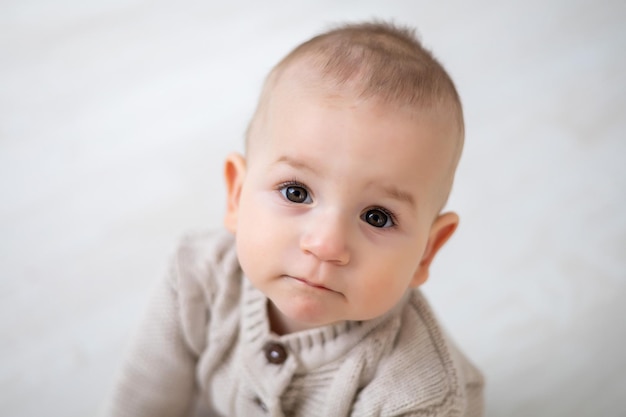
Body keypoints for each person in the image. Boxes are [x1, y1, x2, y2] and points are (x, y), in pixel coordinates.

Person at [104, 21, 484, 417]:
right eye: (296, 192)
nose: (326, 245)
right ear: (237, 194)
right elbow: (141, 400)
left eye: (377, 216)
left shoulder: (418, 396)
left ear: (427, 250)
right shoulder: (195, 275)